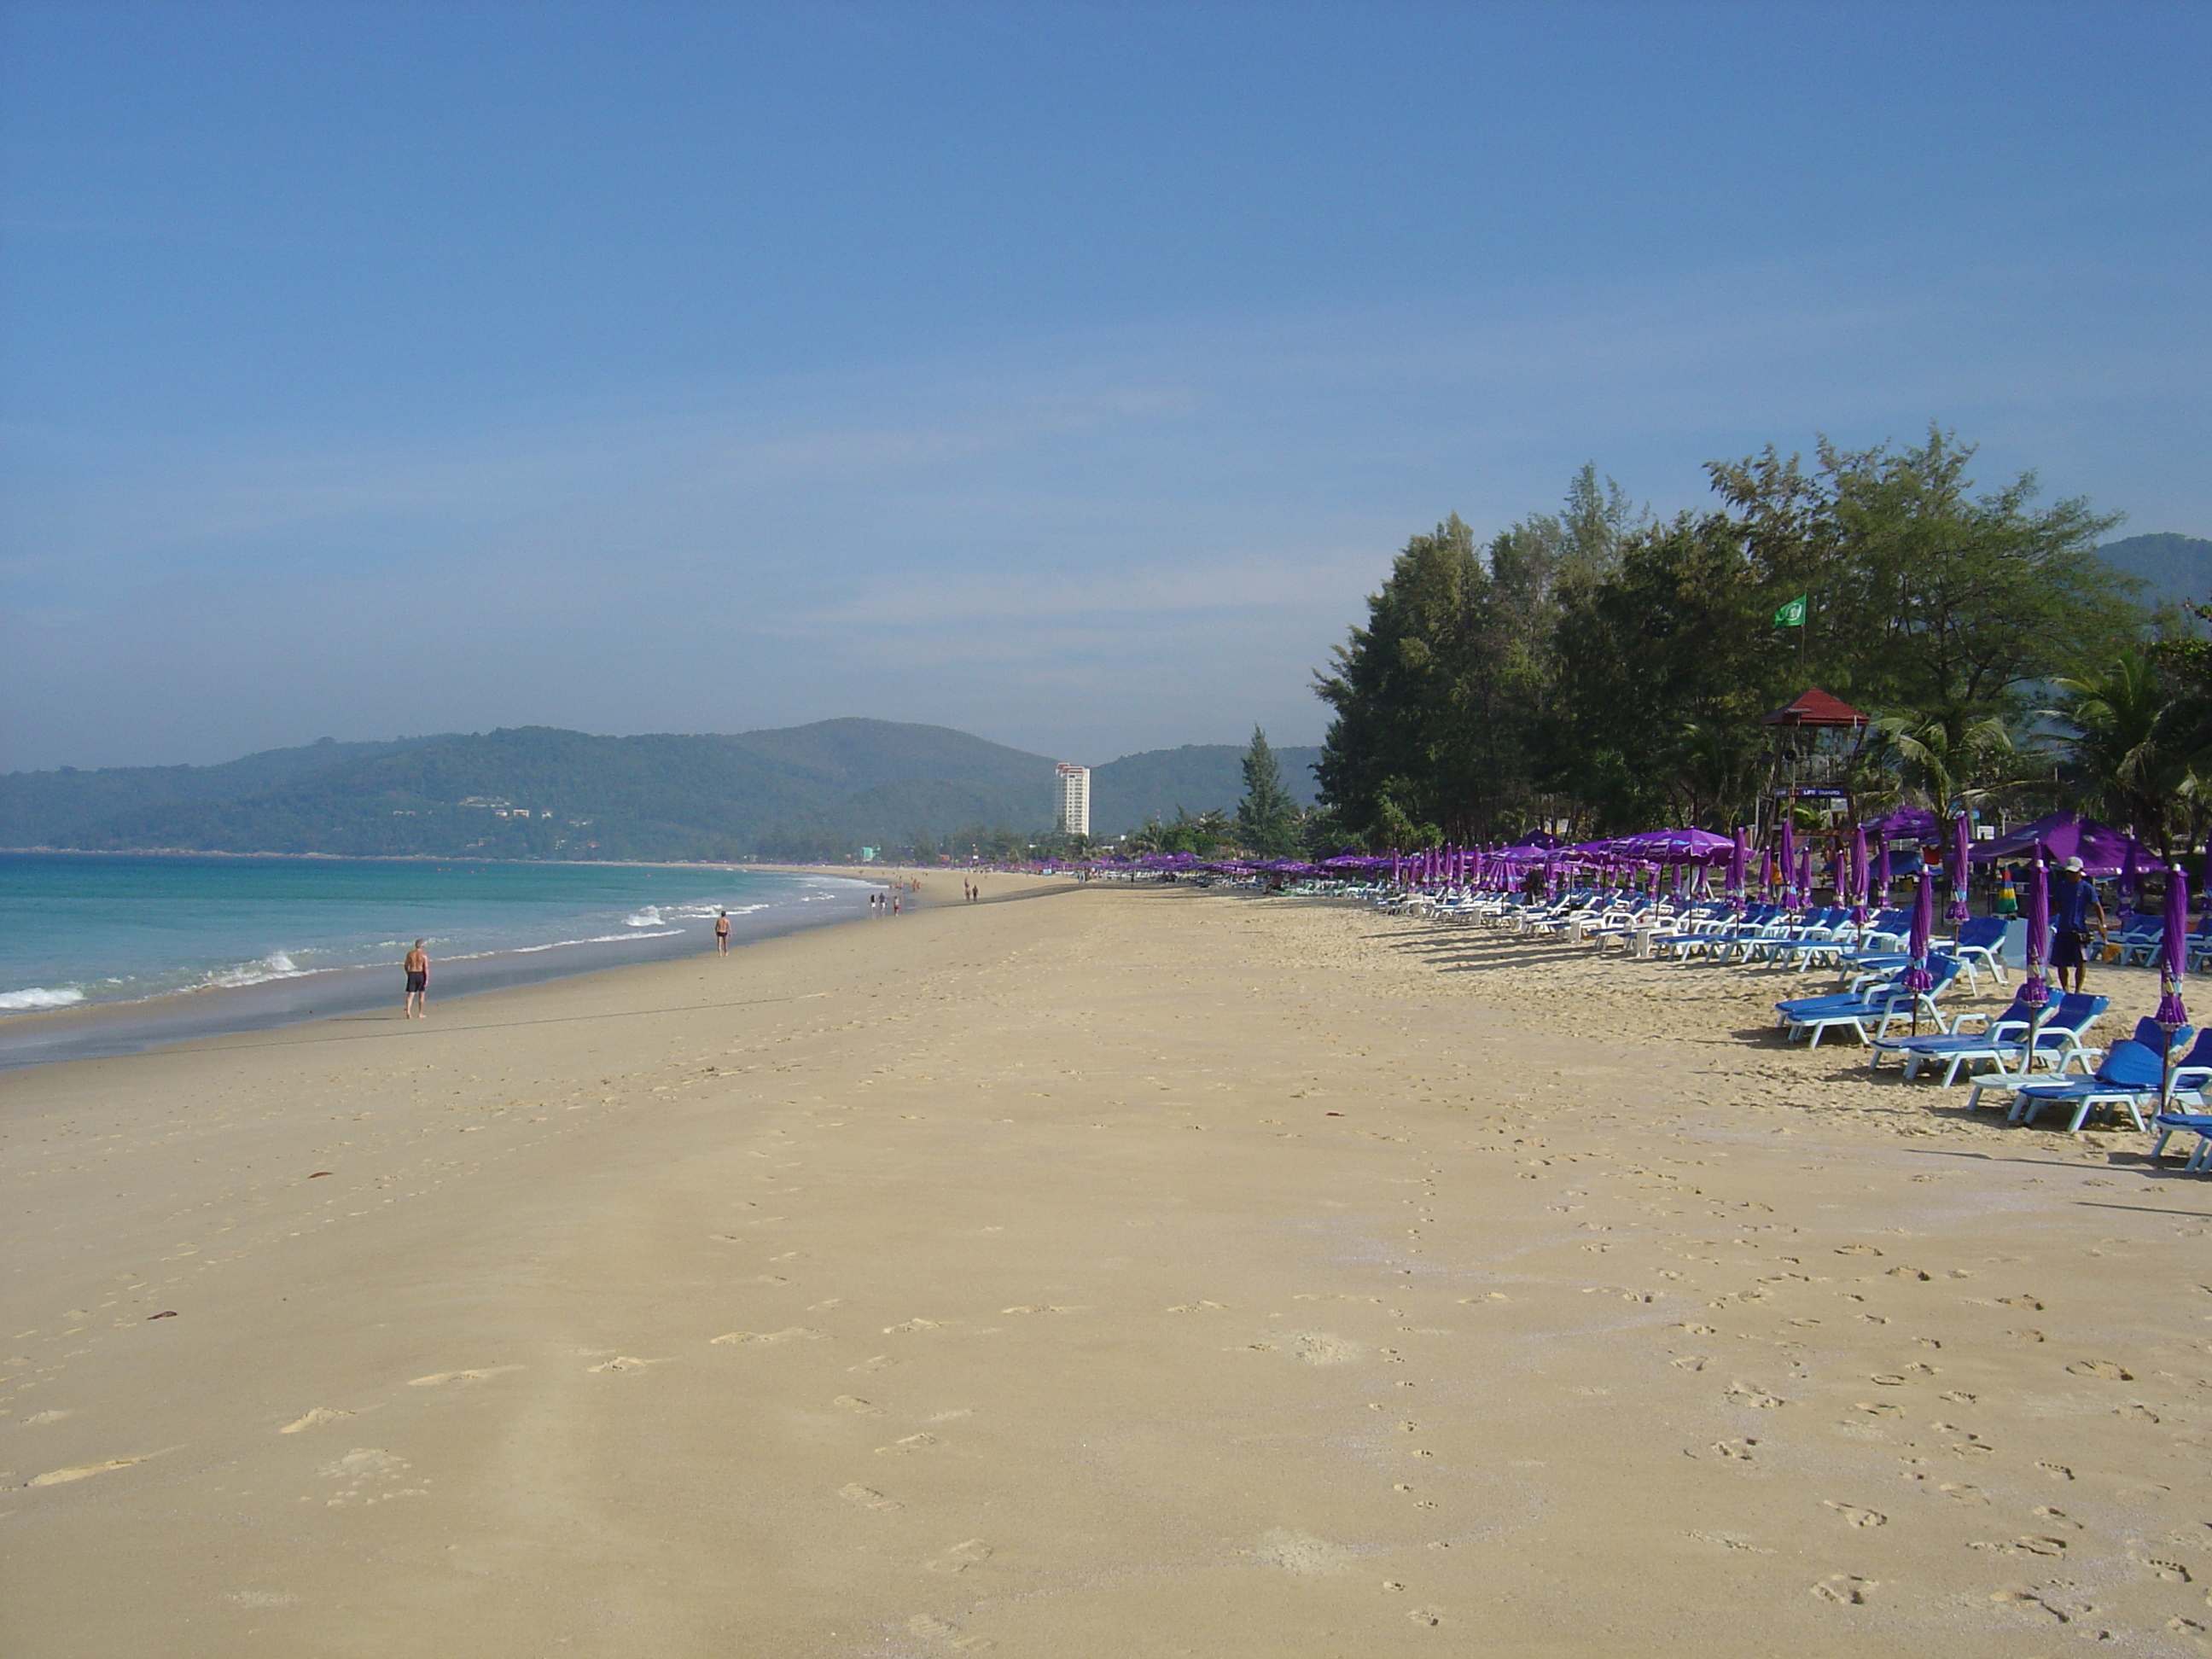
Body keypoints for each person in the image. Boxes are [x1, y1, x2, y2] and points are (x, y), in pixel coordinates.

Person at [2050, 857, 2107, 993]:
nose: (2071, 875)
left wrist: (2102, 925)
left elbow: (2097, 906)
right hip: (2063, 929)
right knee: (2061, 963)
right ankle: (2065, 988)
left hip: (2079, 930)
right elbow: (2057, 907)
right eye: (2069, 872)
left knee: (2081, 962)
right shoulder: (2062, 887)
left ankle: (2078, 990)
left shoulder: (2087, 888)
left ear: (2081, 871)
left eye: (2074, 872)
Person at [403, 939, 430, 1019]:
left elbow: (405, 965)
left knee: (410, 994)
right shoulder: (424, 955)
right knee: (421, 994)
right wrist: (427, 979)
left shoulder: (410, 954)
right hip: (420, 974)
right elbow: (426, 968)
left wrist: (408, 973)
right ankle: (420, 1013)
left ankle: (408, 1012)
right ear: (422, 946)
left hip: (412, 973)